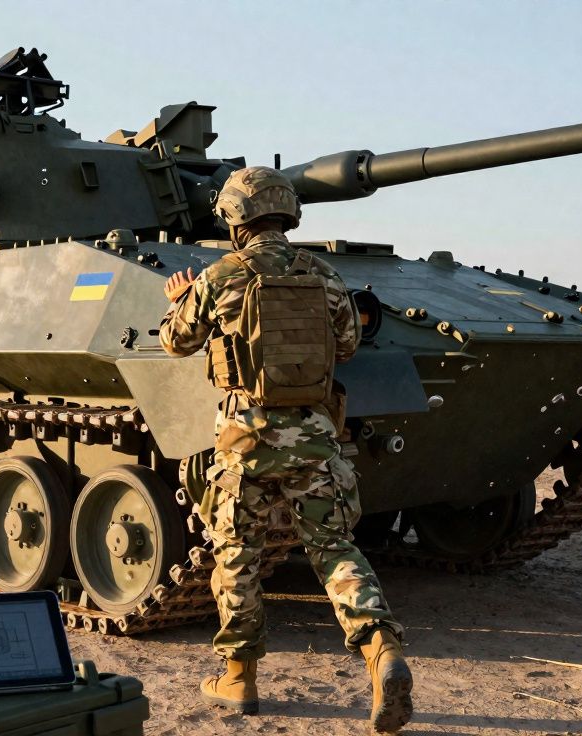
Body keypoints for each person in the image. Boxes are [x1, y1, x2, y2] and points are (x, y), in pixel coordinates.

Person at [158, 166, 412, 733]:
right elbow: (347, 345)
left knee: (236, 553)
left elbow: (176, 342)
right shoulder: (324, 275)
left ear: (233, 217)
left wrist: (179, 301)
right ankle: (381, 650)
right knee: (334, 549)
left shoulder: (221, 275)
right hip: (315, 438)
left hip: (244, 443)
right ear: (288, 213)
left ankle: (239, 678)